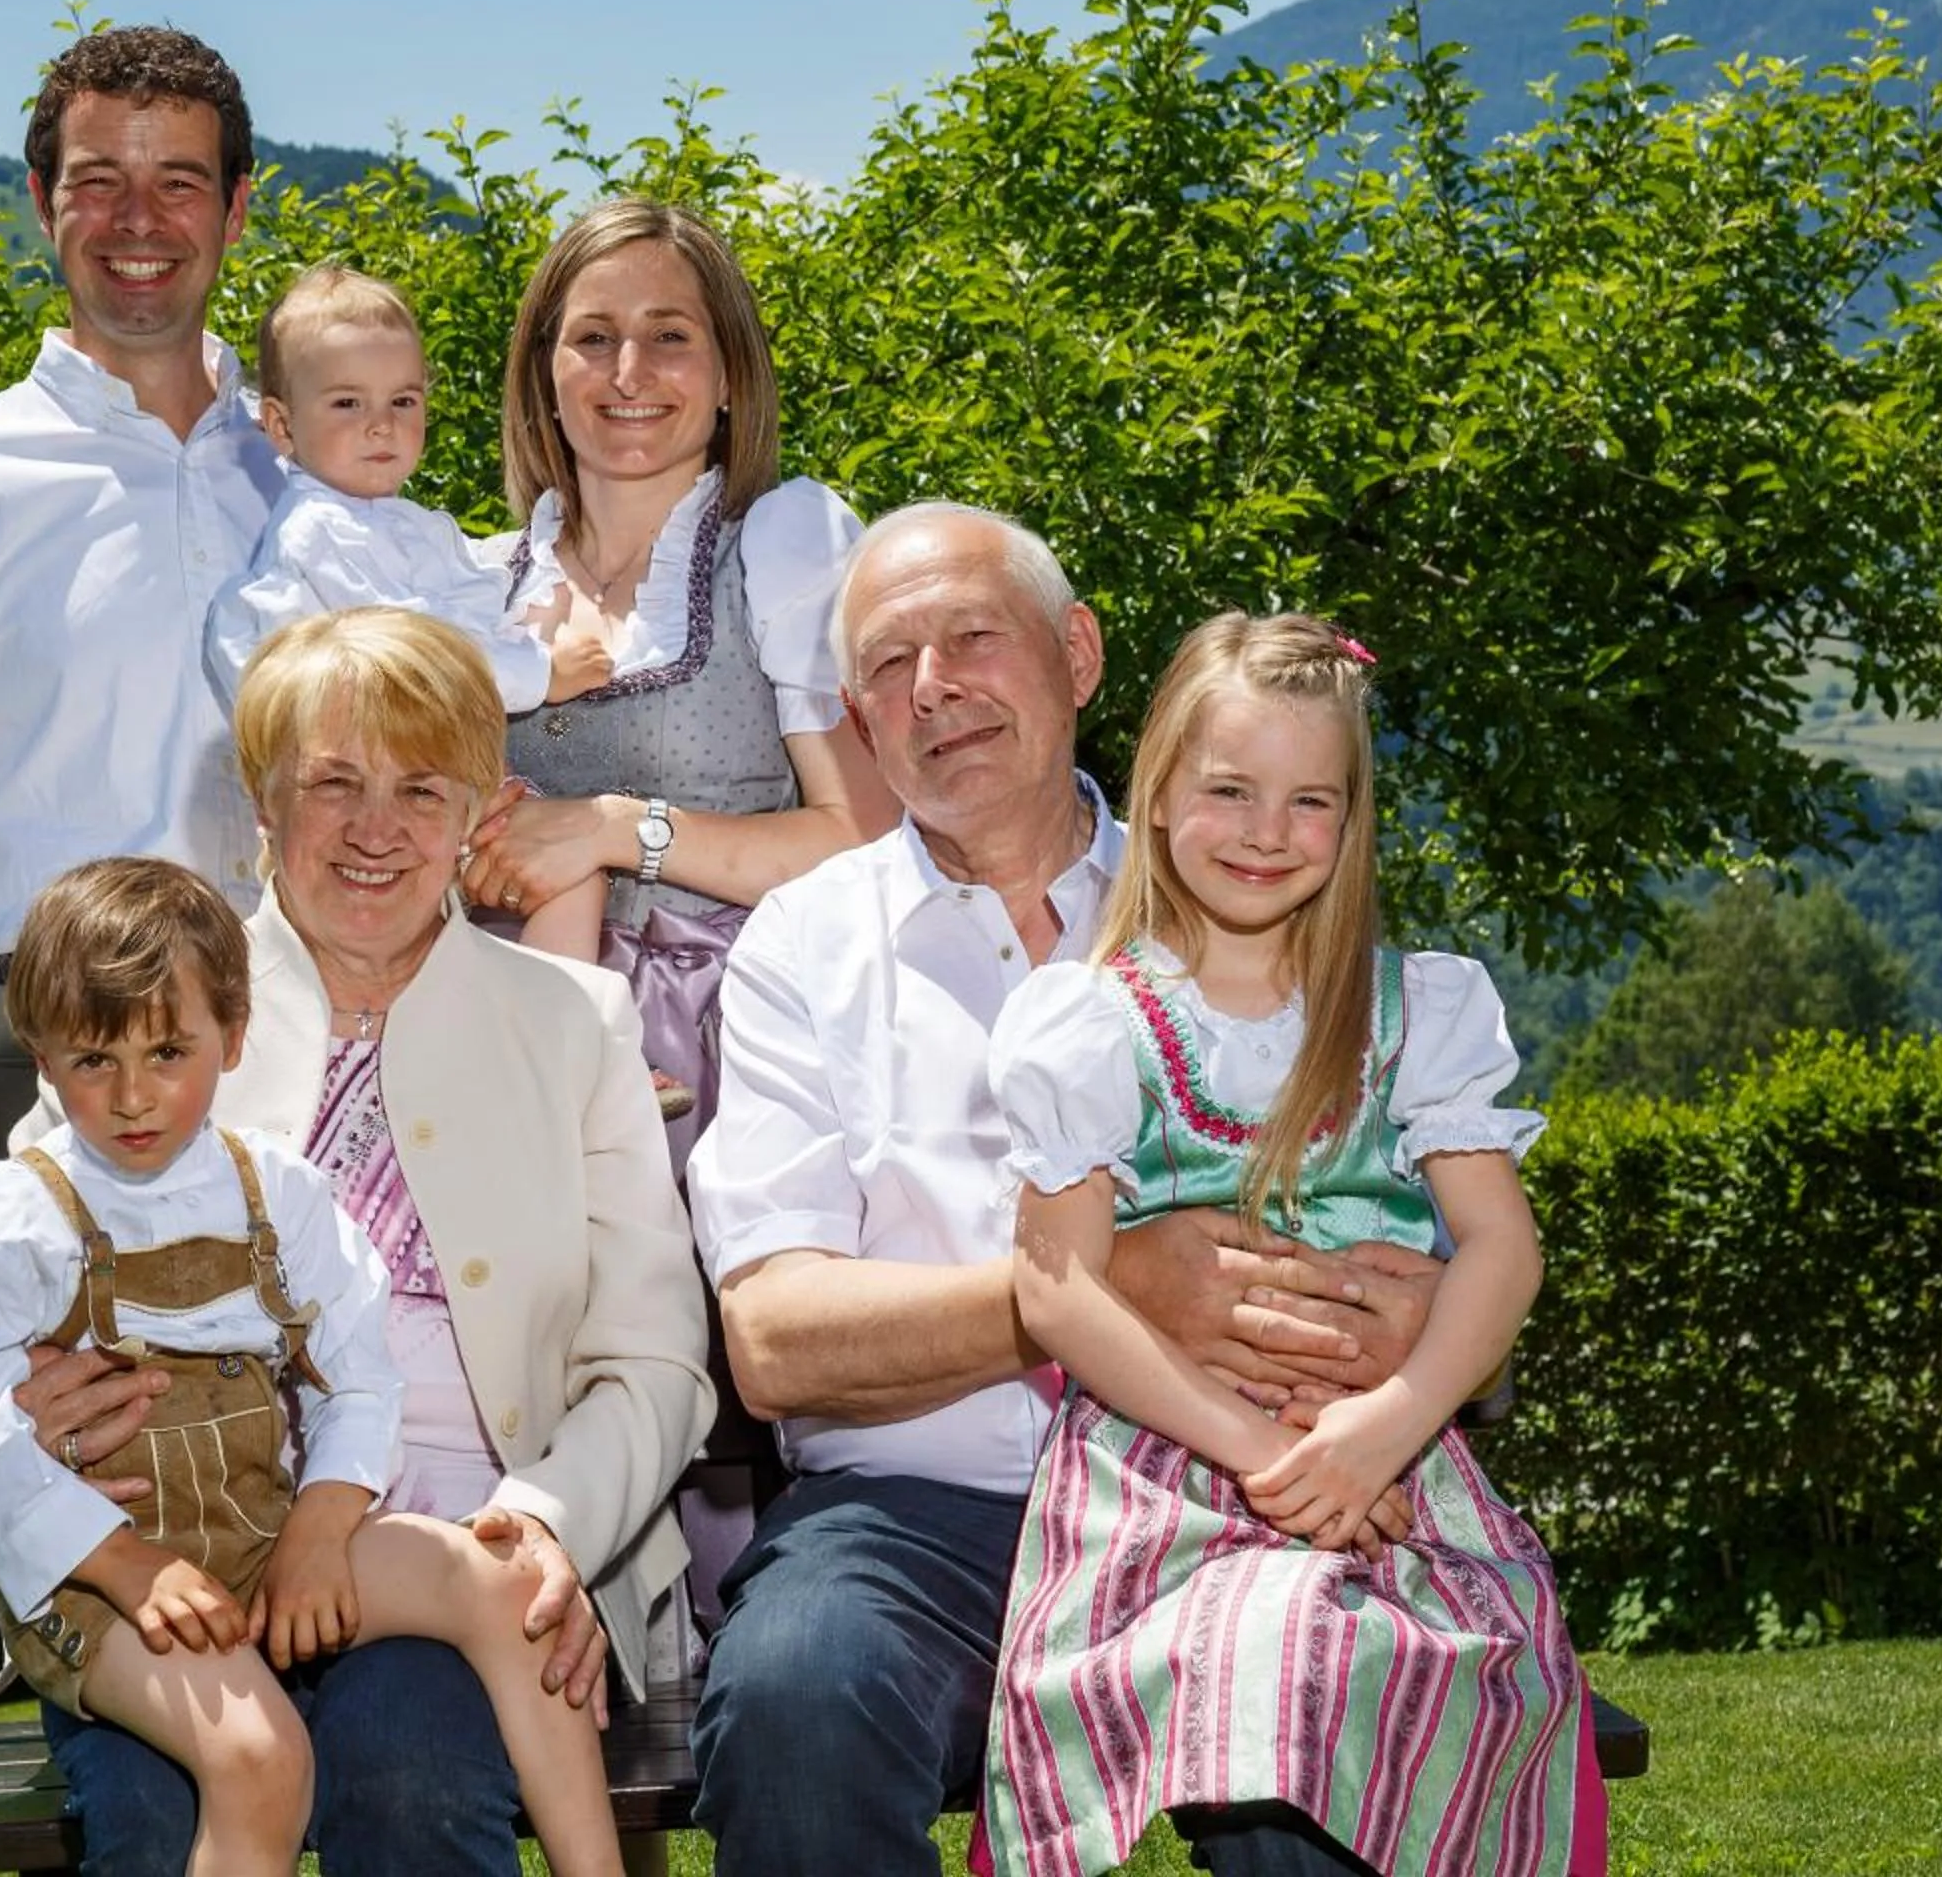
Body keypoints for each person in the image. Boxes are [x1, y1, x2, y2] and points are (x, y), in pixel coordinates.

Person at [688, 503, 1473, 1877]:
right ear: (859, 721)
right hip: (918, 1523)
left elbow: (1407, 1233)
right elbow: (772, 1340)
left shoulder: (1238, 878)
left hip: (1227, 1490)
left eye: (973, 638)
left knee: (1315, 1726)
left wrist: (1388, 1331)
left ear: (1079, 657)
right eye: (887, 664)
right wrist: (1098, 1290)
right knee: (798, 1693)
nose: (933, 688)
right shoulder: (801, 951)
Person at [16, 605, 714, 1877]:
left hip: (464, 1555)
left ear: (475, 811)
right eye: (333, 782)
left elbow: (656, 1358)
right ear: (264, 803)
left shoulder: (574, 1023)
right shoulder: (148, 1012)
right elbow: (10, 1267)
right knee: (154, 1812)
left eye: (419, 788)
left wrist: (547, 1523)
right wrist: (33, 1398)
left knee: (409, 1773)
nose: (376, 827)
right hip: (186, 1557)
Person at [0, 855, 629, 1877]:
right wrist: (122, 1561)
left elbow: (359, 1367)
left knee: (504, 1579)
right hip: (100, 1583)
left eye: (168, 1050)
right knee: (260, 1759)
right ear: (44, 1058)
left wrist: (323, 1519)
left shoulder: (274, 1190)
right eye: (95, 1060)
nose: (135, 1096)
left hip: (267, 1538)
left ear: (231, 1035)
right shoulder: (8, 1219)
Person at [980, 612, 1589, 1876]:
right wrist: (1264, 1451)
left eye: (1310, 799)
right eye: (1230, 790)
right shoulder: (1091, 1022)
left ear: (1352, 818)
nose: (1268, 830)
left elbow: (1502, 1248)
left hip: (1387, 1464)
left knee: (1382, 1685)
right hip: (1167, 1473)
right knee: (1275, 1683)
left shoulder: (1417, 1009)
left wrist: (1390, 1421)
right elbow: (1058, 1285)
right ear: (1155, 799)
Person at [0, 25, 284, 1245]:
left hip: (298, 1033)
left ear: (235, 210)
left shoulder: (312, 476)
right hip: (38, 1050)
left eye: (179, 181)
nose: (141, 220)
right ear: (42, 202)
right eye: (98, 183)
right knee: (63, 1428)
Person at [455, 196, 900, 1171]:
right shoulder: (473, 582)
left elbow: (868, 842)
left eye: (669, 336)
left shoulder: (782, 553)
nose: (628, 373)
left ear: (731, 370)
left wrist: (615, 827)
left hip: (719, 1049)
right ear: (545, 370)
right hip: (484, 1034)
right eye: (594, 337)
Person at [204, 263, 614, 967]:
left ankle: (550, 1041)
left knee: (542, 879)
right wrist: (543, 671)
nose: (380, 427)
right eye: (346, 405)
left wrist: (532, 612)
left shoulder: (406, 524)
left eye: (402, 402)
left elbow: (469, 607)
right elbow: (425, 656)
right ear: (280, 425)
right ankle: (565, 1051)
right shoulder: (319, 534)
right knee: (562, 876)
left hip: (416, 773)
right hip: (371, 790)